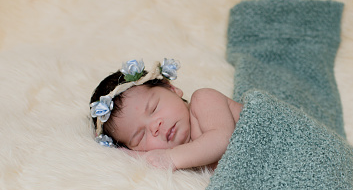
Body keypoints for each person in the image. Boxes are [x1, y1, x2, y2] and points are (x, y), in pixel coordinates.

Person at [89, 58, 242, 171]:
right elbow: (153, 159)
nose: (155, 127)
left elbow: (223, 140)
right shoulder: (187, 161)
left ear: (172, 89)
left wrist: (171, 158)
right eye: (140, 136)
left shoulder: (204, 100)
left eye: (154, 108)